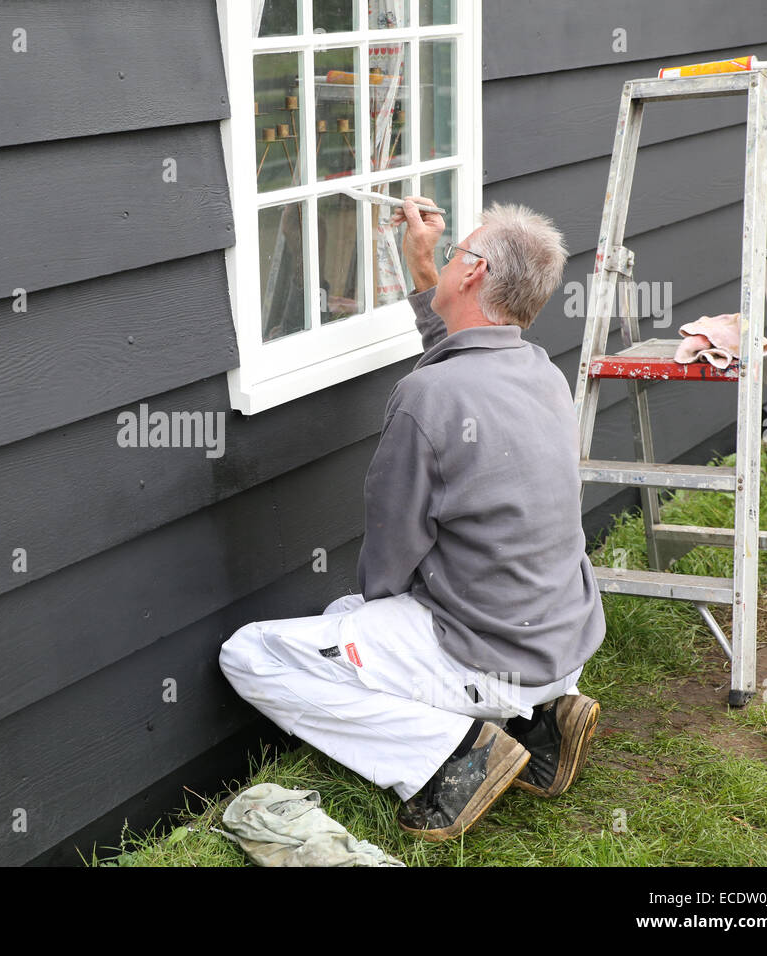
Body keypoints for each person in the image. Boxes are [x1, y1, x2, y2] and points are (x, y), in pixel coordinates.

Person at [219, 197, 607, 842]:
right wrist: (424, 262)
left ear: (475, 272)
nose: (449, 254)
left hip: (492, 655)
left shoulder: (428, 395)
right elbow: (460, 351)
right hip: (559, 642)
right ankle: (540, 723)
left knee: (254, 653)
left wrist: (368, 623)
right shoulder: (538, 370)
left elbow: (392, 553)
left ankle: (457, 758)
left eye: (457, 251)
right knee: (344, 621)